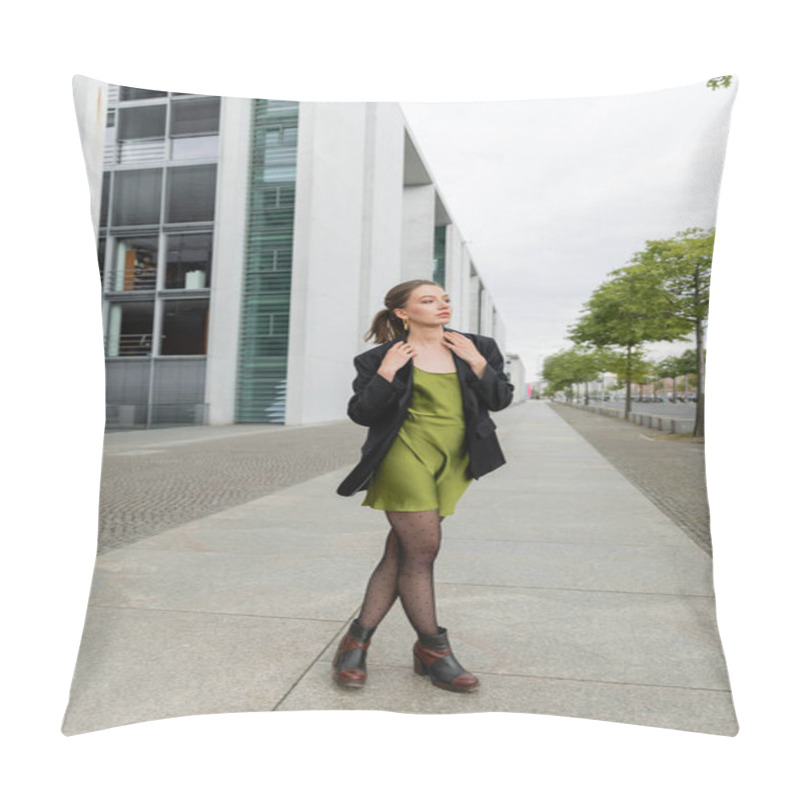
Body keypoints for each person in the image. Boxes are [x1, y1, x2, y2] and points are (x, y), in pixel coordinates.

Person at [334, 279, 514, 693]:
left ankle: (355, 642)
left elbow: (500, 399)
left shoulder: (477, 346)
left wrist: (478, 365)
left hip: (454, 460)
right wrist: (386, 373)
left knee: (402, 550)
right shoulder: (379, 357)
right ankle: (434, 650)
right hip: (404, 453)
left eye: (444, 299)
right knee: (424, 550)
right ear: (402, 312)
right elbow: (362, 413)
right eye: (428, 300)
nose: (442, 306)